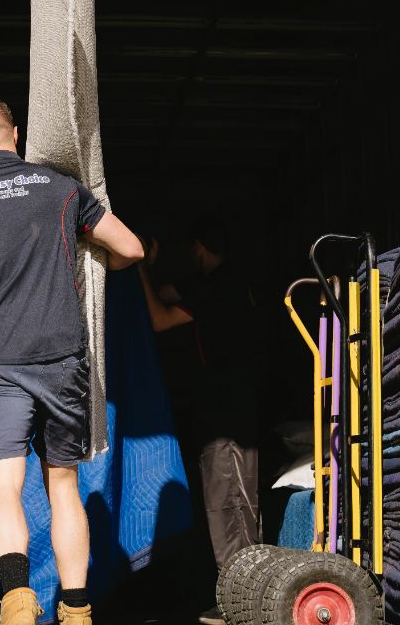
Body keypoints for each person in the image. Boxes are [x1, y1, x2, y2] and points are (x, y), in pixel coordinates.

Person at [0, 95, 144, 625]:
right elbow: (132, 249)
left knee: (1, 487)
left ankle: (18, 602)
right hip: (60, 357)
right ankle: (75, 610)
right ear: (15, 134)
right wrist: (89, 266)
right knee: (63, 485)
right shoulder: (62, 189)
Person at [137, 218, 260, 625]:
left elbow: (160, 316)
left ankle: (241, 601)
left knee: (230, 504)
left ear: (200, 248)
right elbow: (171, 293)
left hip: (227, 415)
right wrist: (150, 264)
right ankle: (238, 596)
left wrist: (138, 263)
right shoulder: (226, 284)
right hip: (226, 410)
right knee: (225, 502)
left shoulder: (217, 287)